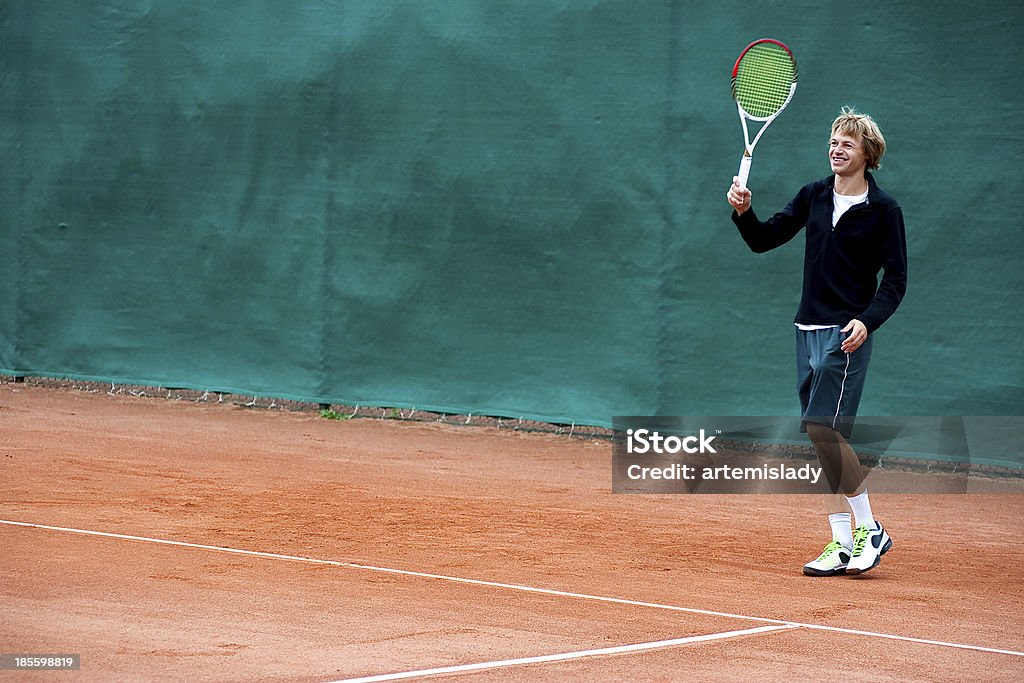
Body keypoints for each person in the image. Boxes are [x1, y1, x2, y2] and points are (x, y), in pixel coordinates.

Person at [726, 107, 907, 576]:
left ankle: (871, 529)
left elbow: (895, 281)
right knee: (825, 439)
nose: (836, 149)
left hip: (846, 334)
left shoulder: (884, 210)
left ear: (868, 153)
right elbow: (764, 239)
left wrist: (867, 322)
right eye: (832, 141)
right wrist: (744, 213)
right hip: (805, 328)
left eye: (847, 143)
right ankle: (841, 543)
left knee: (821, 430)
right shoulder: (814, 196)